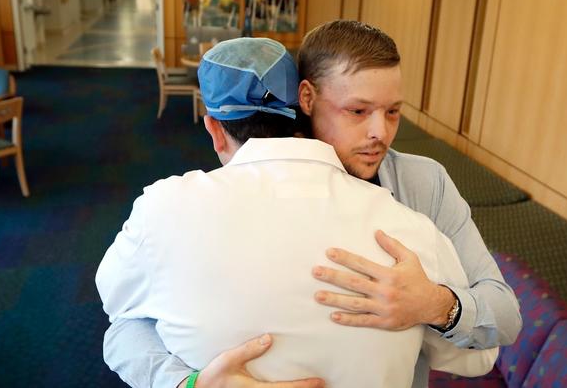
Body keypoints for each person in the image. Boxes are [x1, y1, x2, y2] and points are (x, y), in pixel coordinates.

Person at [102, 21, 522, 388]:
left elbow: (502, 320)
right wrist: (185, 383)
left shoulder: (422, 188)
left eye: (393, 112)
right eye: (358, 110)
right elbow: (127, 325)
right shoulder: (206, 205)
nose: (381, 132)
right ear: (306, 99)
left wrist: (435, 303)